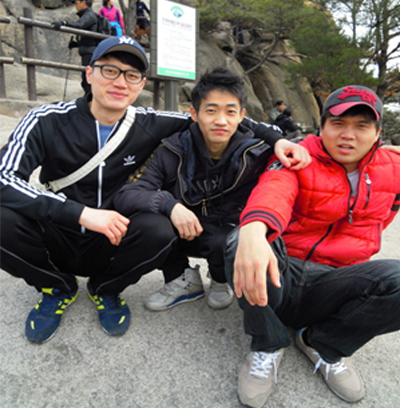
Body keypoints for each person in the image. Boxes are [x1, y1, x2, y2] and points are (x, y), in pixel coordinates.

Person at [0, 36, 311, 345]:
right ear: (89, 73)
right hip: (56, 229)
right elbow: (4, 177)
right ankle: (55, 287)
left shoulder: (152, 121)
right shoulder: (46, 120)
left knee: (159, 228)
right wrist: (79, 213)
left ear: (141, 84)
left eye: (131, 75)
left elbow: (221, 116)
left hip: (113, 237)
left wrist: (278, 140)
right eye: (110, 70)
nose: (120, 82)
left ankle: (106, 288)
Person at [225, 85, 400, 408]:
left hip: (336, 282)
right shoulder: (298, 154)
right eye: (338, 124)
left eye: (361, 126)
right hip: (282, 274)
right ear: (321, 127)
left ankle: (323, 342)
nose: (348, 135)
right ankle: (267, 343)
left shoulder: (394, 169)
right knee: (243, 240)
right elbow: (274, 190)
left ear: (377, 133)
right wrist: (253, 228)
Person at [114, 68, 275, 311]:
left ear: (242, 116)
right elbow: (127, 194)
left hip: (228, 231)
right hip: (183, 228)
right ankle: (182, 278)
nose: (221, 120)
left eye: (230, 112)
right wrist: (169, 205)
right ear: (194, 113)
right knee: (150, 224)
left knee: (231, 238)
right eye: (211, 110)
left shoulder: (258, 153)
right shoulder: (172, 149)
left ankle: (221, 279)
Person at [52, 0, 98, 95]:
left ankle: (90, 100)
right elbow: (88, 36)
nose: (75, 5)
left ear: (83, 2)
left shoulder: (89, 15)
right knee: (86, 78)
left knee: (87, 79)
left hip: (90, 52)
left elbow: (80, 25)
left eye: (76, 3)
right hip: (88, 50)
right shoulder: (87, 15)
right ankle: (89, 99)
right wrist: (76, 44)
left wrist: (64, 23)